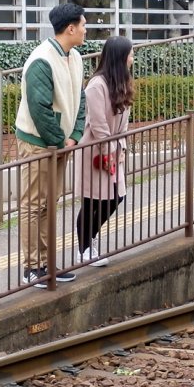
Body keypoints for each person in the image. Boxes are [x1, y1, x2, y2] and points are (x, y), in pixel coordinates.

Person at [14, 3, 87, 287]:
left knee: (48, 204)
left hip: (60, 143)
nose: (85, 30)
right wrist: (61, 141)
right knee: (33, 205)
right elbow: (39, 109)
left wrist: (74, 135)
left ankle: (46, 263)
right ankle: (32, 267)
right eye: (83, 25)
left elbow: (79, 100)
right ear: (70, 28)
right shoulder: (41, 60)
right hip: (38, 143)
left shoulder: (75, 57)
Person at [75, 36, 134, 266]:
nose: (132, 58)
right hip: (94, 152)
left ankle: (88, 240)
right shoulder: (96, 85)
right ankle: (84, 249)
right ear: (120, 57)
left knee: (116, 197)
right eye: (130, 54)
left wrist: (121, 148)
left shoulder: (122, 82)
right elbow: (98, 125)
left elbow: (124, 123)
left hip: (113, 150)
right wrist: (110, 151)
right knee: (92, 200)